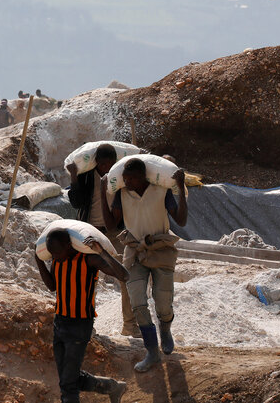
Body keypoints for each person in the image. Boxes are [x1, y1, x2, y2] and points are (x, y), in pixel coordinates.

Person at [100, 158, 188, 373]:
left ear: (142, 177)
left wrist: (182, 186)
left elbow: (181, 220)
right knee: (137, 301)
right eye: (125, 178)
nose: (127, 182)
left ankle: (165, 330)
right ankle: (152, 351)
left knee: (163, 300)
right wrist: (104, 193)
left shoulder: (161, 191)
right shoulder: (122, 194)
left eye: (131, 178)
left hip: (160, 248)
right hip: (134, 250)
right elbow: (111, 226)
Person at [35, 230, 128, 403]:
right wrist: (38, 261)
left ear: (69, 246)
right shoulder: (57, 259)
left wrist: (102, 252)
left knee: (68, 386)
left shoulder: (88, 259)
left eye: (57, 252)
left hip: (79, 325)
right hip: (60, 322)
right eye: (52, 254)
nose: (54, 257)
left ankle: (112, 387)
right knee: (67, 377)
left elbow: (124, 275)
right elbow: (52, 286)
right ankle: (112, 387)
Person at [67, 144, 139, 338]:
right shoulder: (87, 176)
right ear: (96, 162)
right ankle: (86, 324)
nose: (107, 167)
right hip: (90, 232)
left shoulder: (120, 176)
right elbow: (76, 202)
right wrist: (74, 176)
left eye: (110, 163)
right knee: (87, 277)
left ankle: (130, 325)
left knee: (126, 276)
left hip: (116, 232)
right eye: (103, 163)